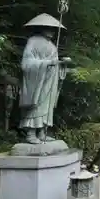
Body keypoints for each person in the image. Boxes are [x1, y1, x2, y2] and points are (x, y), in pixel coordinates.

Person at [19, 13, 71, 144]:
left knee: (47, 106)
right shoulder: (33, 41)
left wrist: (62, 65)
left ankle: (42, 132)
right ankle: (30, 134)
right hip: (38, 80)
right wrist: (46, 63)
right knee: (37, 104)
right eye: (50, 29)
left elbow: (55, 63)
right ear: (42, 28)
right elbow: (27, 63)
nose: (53, 32)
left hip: (50, 80)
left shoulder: (53, 45)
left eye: (54, 29)